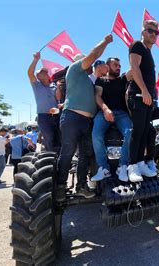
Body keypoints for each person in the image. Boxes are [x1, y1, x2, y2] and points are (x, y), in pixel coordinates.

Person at [56, 34, 113, 200]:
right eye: (85, 62)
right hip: (72, 117)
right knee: (67, 151)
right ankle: (60, 186)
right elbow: (94, 56)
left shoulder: (88, 81)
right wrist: (105, 42)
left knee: (85, 155)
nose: (87, 65)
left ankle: (81, 186)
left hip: (86, 122)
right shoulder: (74, 69)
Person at [126, 20, 159, 182]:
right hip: (139, 96)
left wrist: (152, 96)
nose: (153, 34)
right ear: (143, 31)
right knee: (138, 131)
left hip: (148, 99)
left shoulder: (148, 52)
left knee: (146, 131)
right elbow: (134, 67)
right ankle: (132, 166)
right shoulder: (137, 45)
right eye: (150, 31)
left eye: (156, 32)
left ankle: (140, 163)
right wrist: (144, 91)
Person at [91, 57, 132, 182]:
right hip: (104, 112)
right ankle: (104, 168)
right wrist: (105, 109)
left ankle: (123, 166)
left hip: (121, 114)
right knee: (96, 134)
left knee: (131, 131)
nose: (119, 67)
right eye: (115, 65)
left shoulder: (122, 79)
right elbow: (97, 96)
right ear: (108, 66)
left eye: (119, 65)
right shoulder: (101, 80)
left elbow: (134, 68)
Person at [27, 52, 61, 152]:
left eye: (46, 72)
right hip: (43, 116)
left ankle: (59, 159)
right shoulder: (36, 85)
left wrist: (58, 86)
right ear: (38, 76)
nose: (46, 73)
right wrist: (35, 60)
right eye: (43, 72)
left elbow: (58, 97)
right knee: (49, 138)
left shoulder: (54, 86)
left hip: (56, 116)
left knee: (58, 138)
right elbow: (29, 73)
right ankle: (50, 157)